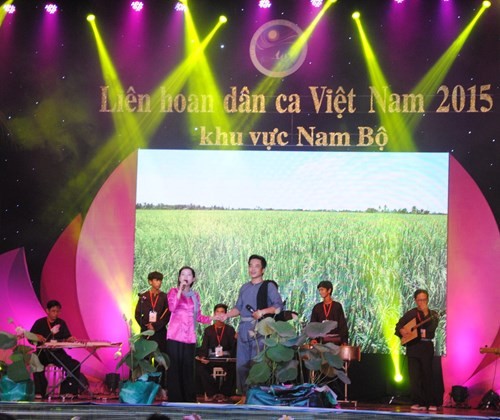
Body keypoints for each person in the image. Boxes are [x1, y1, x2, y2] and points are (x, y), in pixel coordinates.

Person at [221, 255, 283, 395]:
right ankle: (244, 396)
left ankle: (257, 396)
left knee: (257, 366)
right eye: (251, 265)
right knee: (241, 366)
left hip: (260, 329)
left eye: (257, 266)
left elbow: (278, 307)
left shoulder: (268, 286)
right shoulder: (244, 287)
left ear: (263, 270)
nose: (253, 269)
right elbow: (238, 308)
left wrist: (262, 312)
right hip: (243, 328)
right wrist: (226, 315)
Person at [166, 266, 213, 402]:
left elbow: (198, 317)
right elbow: (172, 307)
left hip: (189, 338)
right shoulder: (173, 291)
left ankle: (188, 400)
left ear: (193, 279)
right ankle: (175, 399)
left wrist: (212, 318)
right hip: (175, 336)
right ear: (179, 278)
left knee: (188, 370)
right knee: (174, 369)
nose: (186, 277)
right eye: (183, 274)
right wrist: (180, 290)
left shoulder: (195, 295)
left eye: (189, 275)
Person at [395, 289, 439, 412]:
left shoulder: (433, 314)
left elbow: (431, 330)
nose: (422, 302)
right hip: (413, 347)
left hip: (426, 348)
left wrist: (425, 312)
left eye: (424, 300)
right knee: (414, 376)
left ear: (428, 300)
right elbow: (398, 326)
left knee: (427, 375)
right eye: (419, 300)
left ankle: (430, 401)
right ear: (415, 301)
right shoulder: (411, 313)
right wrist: (402, 331)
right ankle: (417, 401)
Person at [30, 300, 81, 397]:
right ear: (47, 311)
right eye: (53, 311)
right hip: (43, 353)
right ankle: (39, 391)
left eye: (58, 311)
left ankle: (68, 392)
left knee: (75, 365)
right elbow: (30, 337)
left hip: (57, 352)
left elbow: (67, 337)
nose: (56, 313)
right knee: (35, 361)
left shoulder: (61, 323)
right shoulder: (39, 323)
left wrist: (70, 339)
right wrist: (36, 336)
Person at [134, 271, 170, 393]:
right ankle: (145, 385)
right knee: (146, 358)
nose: (158, 283)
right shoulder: (143, 297)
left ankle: (161, 386)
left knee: (161, 358)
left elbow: (167, 315)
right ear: (150, 281)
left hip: (159, 332)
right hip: (146, 333)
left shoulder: (164, 297)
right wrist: (146, 327)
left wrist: (155, 326)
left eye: (160, 280)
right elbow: (137, 314)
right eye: (156, 280)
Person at [196, 304, 237, 402]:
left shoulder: (230, 329)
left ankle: (224, 393)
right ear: (214, 314)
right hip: (212, 359)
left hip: (226, 360)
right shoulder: (208, 330)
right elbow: (204, 347)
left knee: (235, 367)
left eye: (222, 312)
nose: (219, 314)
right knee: (199, 366)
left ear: (226, 314)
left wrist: (229, 355)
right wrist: (202, 357)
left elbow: (233, 347)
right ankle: (213, 392)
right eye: (217, 312)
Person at [309, 280, 348, 345]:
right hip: (321, 342)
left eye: (322, 290)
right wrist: (313, 339)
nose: (320, 292)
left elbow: (342, 324)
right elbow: (313, 325)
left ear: (329, 290)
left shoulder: (337, 306)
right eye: (319, 290)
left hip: (336, 341)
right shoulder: (317, 307)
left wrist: (344, 341)